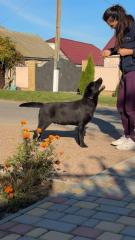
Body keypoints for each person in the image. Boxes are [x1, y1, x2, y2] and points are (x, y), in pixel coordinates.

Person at [102, 5, 135, 150]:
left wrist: (131, 52)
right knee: (121, 106)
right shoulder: (120, 31)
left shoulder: (133, 27)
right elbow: (120, 49)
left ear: (117, 17)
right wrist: (110, 51)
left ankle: (133, 138)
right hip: (125, 71)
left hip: (134, 70)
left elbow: (127, 50)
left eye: (110, 22)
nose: (109, 25)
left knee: (130, 107)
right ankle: (127, 135)